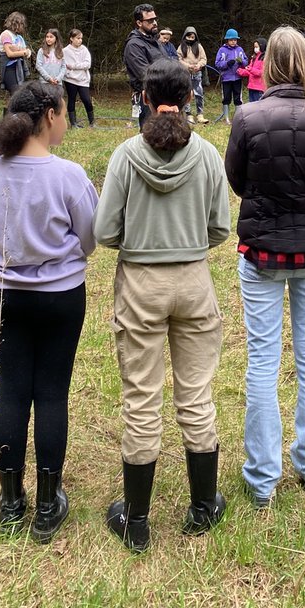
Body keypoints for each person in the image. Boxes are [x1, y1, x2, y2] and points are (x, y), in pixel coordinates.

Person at [96, 59, 231, 551]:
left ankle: (135, 521)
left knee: (141, 398)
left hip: (140, 283)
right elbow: (220, 227)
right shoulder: (208, 155)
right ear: (191, 96)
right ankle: (202, 506)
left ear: (146, 99)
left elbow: (105, 230)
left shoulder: (126, 156)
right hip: (194, 281)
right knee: (195, 395)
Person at [225, 27, 305, 508]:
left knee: (263, 359)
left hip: (264, 250)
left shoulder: (249, 117)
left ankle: (263, 478)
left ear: (269, 63)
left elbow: (238, 179)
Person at [0, 82, 98, 542]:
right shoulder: (68, 175)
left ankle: (10, 502)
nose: (65, 121)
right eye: (65, 113)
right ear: (50, 114)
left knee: (11, 393)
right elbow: (89, 237)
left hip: (6, 295)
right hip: (61, 297)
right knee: (51, 394)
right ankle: (48, 505)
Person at [123, 4, 163, 131]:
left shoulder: (155, 41)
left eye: (155, 19)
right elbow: (145, 74)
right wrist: (170, 77)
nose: (155, 23)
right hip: (149, 96)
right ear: (139, 22)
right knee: (150, 134)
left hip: (165, 93)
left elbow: (168, 63)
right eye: (150, 21)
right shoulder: (134, 45)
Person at [62, 28, 94, 128]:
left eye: (81, 38)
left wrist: (73, 66)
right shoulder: (65, 51)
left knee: (86, 99)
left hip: (83, 79)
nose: (80, 40)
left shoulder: (84, 49)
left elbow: (87, 64)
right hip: (70, 79)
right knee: (71, 99)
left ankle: (92, 122)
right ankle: (73, 123)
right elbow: (64, 65)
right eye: (77, 38)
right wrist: (70, 69)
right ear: (71, 39)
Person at [215, 29, 248, 124]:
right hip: (226, 78)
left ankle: (237, 118)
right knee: (226, 98)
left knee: (238, 98)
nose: (233, 41)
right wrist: (227, 63)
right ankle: (226, 118)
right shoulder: (222, 50)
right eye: (231, 40)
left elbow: (246, 61)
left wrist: (242, 62)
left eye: (235, 40)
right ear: (227, 40)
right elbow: (217, 64)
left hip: (237, 77)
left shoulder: (240, 49)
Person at [178, 27, 208, 124]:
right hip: (185, 74)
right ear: (185, 36)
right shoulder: (181, 47)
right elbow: (178, 59)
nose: (191, 39)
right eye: (189, 36)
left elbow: (204, 59)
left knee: (199, 94)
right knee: (187, 94)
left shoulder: (199, 46)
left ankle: (200, 114)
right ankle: (188, 114)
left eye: (192, 37)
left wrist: (198, 65)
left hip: (197, 73)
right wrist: (188, 66)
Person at [0, 12, 32, 99]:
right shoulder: (6, 34)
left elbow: (28, 52)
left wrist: (19, 50)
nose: (23, 27)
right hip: (9, 68)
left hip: (19, 67)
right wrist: (23, 52)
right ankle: (10, 112)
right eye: (21, 24)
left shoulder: (19, 37)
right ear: (15, 23)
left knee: (20, 94)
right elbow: (10, 54)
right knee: (15, 94)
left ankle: (15, 112)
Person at [238, 37, 267, 103]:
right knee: (252, 105)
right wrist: (240, 71)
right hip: (251, 87)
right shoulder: (254, 57)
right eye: (254, 47)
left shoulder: (265, 58)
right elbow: (249, 71)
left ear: (262, 46)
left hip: (259, 88)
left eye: (257, 47)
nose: (255, 49)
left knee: (259, 106)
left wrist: (250, 69)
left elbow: (261, 73)